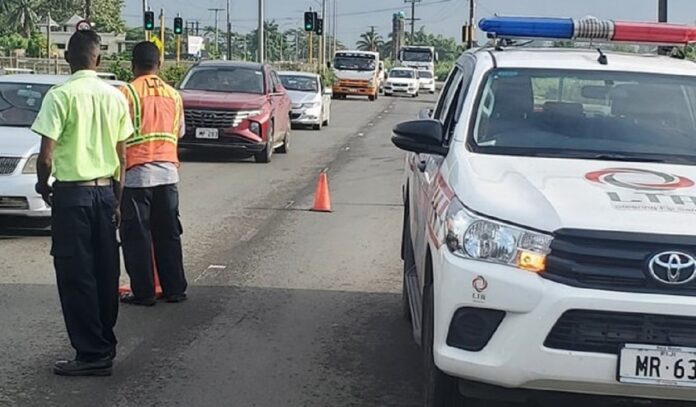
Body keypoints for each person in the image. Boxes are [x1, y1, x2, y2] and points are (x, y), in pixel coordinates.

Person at [31, 29, 133, 376]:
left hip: (72, 195)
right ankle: (105, 342)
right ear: (99, 58)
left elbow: (45, 157)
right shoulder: (116, 97)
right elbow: (122, 155)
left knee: (76, 275)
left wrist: (43, 185)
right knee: (106, 271)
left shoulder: (60, 96)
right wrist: (116, 198)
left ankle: (91, 354)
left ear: (66, 58)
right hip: (105, 193)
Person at [118, 41, 188, 306]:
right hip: (168, 175)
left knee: (137, 238)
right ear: (159, 64)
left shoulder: (127, 92)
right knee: (168, 234)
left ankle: (144, 292)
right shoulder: (174, 95)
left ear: (133, 64)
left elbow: (119, 136)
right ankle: (175, 289)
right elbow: (179, 131)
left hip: (136, 177)